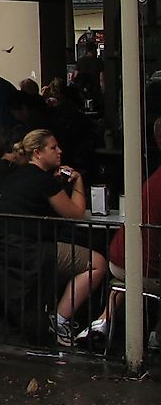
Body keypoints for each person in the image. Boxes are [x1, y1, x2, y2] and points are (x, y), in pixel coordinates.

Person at [0, 129, 107, 346]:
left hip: (6, 247)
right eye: (53, 148)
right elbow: (76, 213)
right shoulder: (45, 182)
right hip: (33, 251)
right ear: (38, 153)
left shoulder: (14, 175)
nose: (59, 151)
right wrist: (78, 180)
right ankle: (61, 318)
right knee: (97, 264)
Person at [77, 117, 161, 346]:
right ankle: (156, 335)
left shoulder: (154, 178)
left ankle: (101, 322)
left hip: (121, 256)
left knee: (126, 280)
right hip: (141, 266)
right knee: (138, 274)